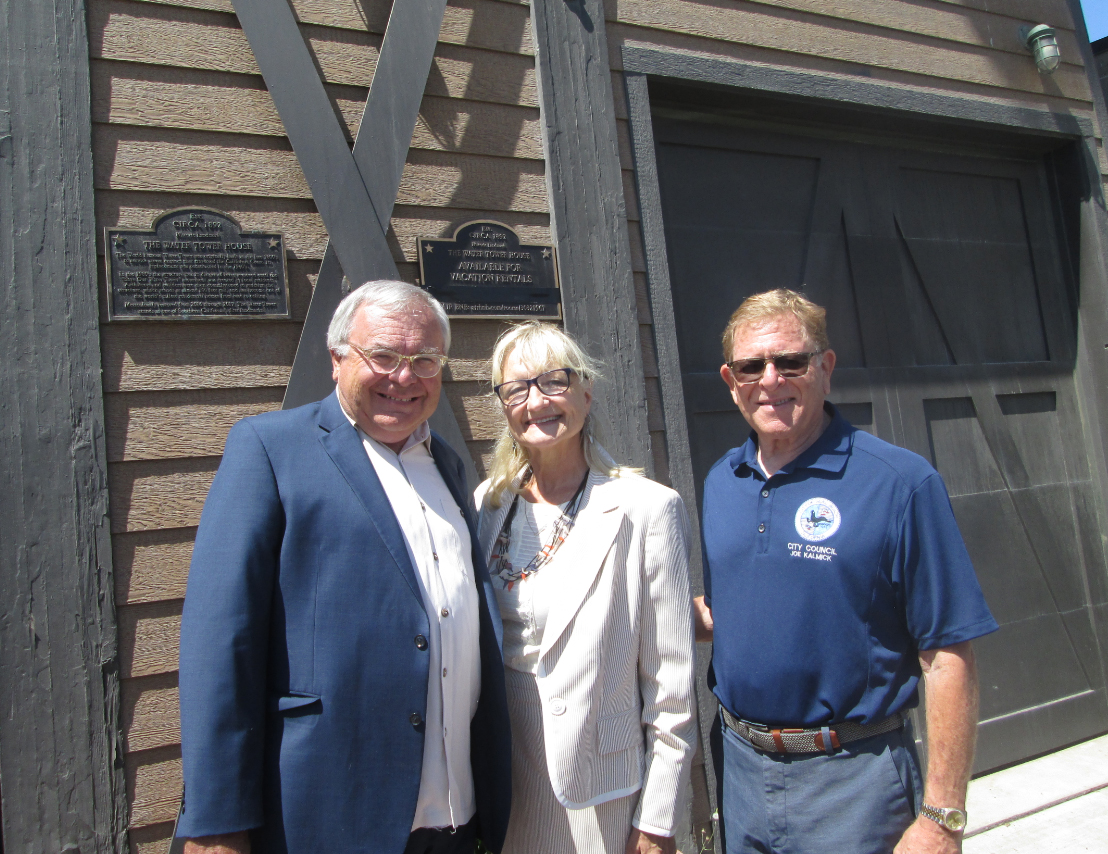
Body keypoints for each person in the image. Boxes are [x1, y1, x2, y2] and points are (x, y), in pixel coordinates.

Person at [177, 280, 511, 854]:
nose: (404, 377)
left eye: (425, 360)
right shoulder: (270, 449)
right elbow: (219, 640)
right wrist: (215, 821)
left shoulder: (449, 467)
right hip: (331, 810)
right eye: (382, 356)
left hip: (455, 816)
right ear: (337, 360)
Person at [695, 289, 998, 854]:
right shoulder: (721, 482)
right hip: (739, 771)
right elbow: (732, 611)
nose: (770, 379)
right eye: (751, 366)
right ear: (730, 379)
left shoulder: (900, 483)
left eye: (791, 361)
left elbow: (948, 653)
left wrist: (943, 816)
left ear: (825, 368)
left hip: (855, 781)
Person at [474, 322, 697, 854]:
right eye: (517, 388)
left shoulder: (646, 508)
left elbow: (672, 682)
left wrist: (658, 821)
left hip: (599, 787)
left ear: (586, 392)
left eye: (555, 381)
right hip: (505, 777)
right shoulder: (489, 504)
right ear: (503, 405)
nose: (537, 401)